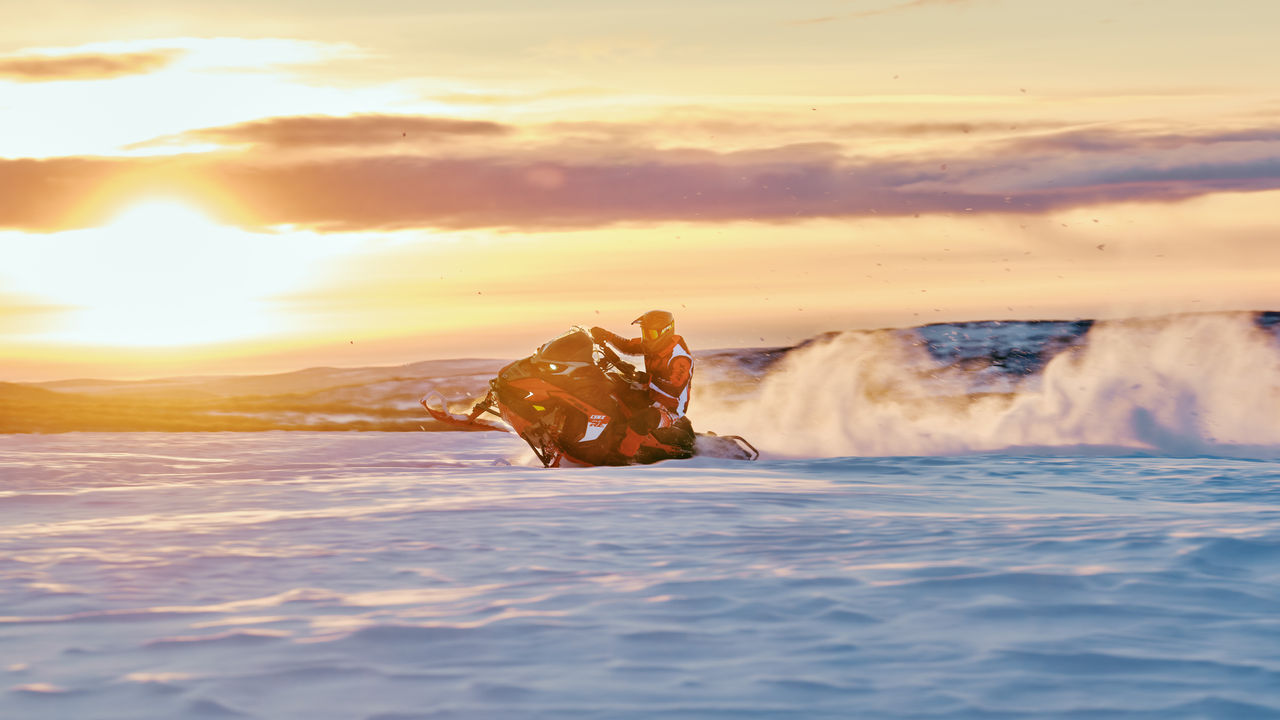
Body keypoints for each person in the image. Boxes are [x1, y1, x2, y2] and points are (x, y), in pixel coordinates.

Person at [591, 310, 694, 460]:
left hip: (670, 406)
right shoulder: (656, 345)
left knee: (642, 420)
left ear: (666, 331)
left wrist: (643, 377)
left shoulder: (680, 358)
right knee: (614, 383)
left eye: (651, 334)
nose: (646, 338)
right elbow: (628, 346)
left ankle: (623, 458)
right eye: (645, 333)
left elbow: (673, 389)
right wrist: (606, 335)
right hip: (651, 393)